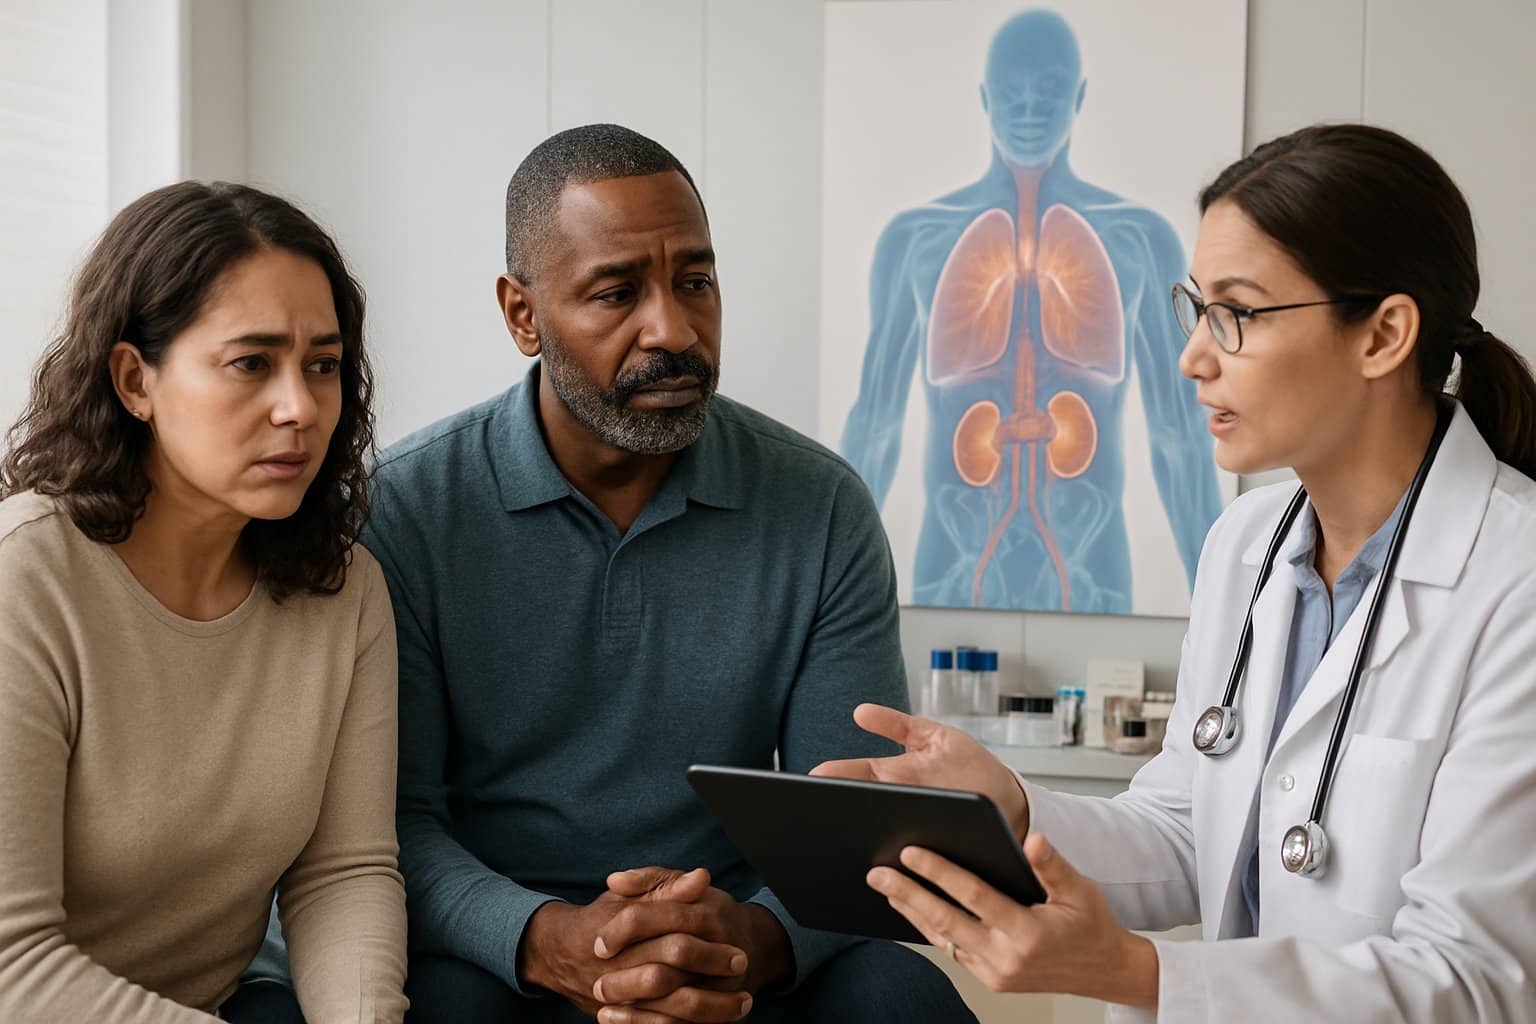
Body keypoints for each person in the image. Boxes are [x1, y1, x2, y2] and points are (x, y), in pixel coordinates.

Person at [815, 123, 1536, 1021]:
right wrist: (1008, 811)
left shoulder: (1515, 582)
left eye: (1236, 313)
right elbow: (1188, 831)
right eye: (1196, 308)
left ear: (1384, 334)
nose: (1194, 355)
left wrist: (1136, 974)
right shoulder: (1247, 543)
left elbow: (1477, 985)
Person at [361, 124, 975, 1024]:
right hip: (505, 957)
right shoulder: (406, 512)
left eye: (696, 281)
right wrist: (544, 938)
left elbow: (855, 824)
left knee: (900, 997)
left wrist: (741, 946)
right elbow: (390, 827)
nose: (675, 330)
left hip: (737, 950)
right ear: (522, 314)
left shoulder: (821, 507)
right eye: (617, 293)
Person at [0, 182, 408, 1023]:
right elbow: (13, 966)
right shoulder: (26, 582)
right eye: (251, 363)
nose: (300, 408)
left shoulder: (345, 589)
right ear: (133, 380)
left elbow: (344, 873)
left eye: (323, 365)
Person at [839, 8, 1221, 612]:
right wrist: (822, 594)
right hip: (950, 561)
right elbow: (875, 427)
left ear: (1080, 96)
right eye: (1012, 94)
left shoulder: (1142, 240)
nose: (1028, 110)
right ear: (986, 98)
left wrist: (1226, 613)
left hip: (1092, 560)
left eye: (1048, 91)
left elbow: (1178, 436)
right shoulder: (913, 240)